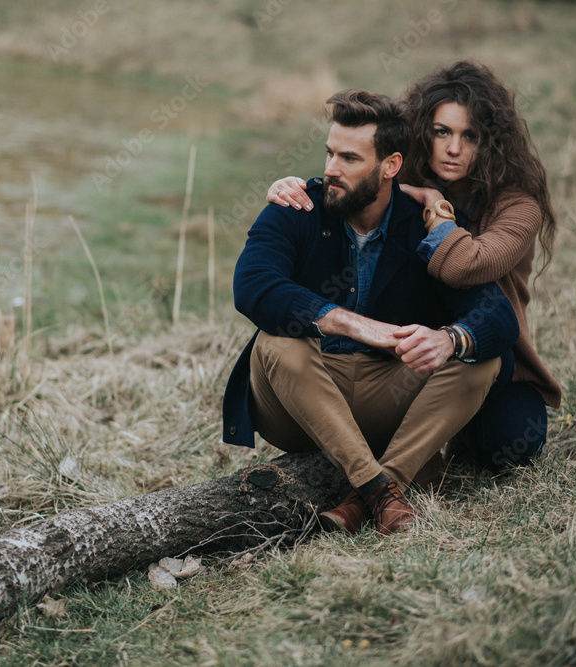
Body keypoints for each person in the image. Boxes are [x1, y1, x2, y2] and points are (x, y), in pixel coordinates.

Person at [221, 89, 519, 535]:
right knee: (276, 339)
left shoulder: (420, 225)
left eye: (349, 158)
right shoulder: (298, 207)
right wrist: (354, 324)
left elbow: (495, 315)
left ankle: (376, 490)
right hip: (298, 403)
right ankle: (381, 490)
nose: (330, 170)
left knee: (479, 357)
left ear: (390, 166)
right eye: (329, 153)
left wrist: (448, 339)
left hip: (388, 396)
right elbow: (251, 286)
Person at [266, 61, 561, 472]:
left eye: (469, 136)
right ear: (423, 134)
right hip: (403, 350)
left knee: (508, 448)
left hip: (485, 345)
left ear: (490, 143)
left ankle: (444, 435)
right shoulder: (402, 179)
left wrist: (435, 207)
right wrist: (294, 188)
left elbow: (463, 266)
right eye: (442, 132)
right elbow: (352, 173)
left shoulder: (517, 207)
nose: (453, 148)